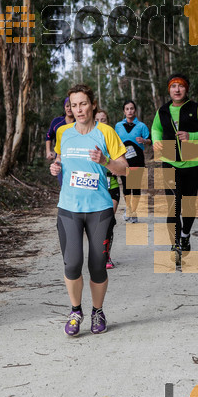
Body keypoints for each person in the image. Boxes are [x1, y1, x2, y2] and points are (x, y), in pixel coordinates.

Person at [51, 85, 128, 336]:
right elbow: (60, 160)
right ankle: (75, 311)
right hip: (69, 208)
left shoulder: (106, 132)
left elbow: (124, 169)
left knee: (97, 266)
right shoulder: (63, 132)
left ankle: (97, 311)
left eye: (83, 104)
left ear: (93, 105)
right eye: (74, 105)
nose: (79, 109)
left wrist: (105, 161)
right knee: (72, 264)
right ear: (70, 108)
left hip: (99, 209)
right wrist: (56, 166)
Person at [151, 74, 198, 258]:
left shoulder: (195, 109)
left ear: (186, 89)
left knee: (188, 206)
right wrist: (156, 140)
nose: (177, 90)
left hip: (192, 163)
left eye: (181, 86)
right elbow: (156, 128)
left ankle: (185, 235)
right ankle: (176, 246)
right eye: (173, 86)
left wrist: (192, 136)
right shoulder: (162, 111)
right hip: (170, 162)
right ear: (169, 90)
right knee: (173, 205)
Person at [114, 101, 151, 223]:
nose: (129, 111)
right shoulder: (118, 126)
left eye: (131, 108)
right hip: (123, 160)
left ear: (135, 110)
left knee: (135, 187)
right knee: (126, 186)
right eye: (127, 109)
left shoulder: (141, 126)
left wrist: (144, 140)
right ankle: (128, 208)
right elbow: (114, 143)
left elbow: (150, 140)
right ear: (124, 111)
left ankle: (134, 211)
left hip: (137, 159)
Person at [95, 110, 119, 268]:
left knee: (108, 221)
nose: (101, 122)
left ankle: (106, 255)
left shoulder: (112, 139)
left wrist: (107, 161)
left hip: (112, 185)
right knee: (96, 223)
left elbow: (121, 165)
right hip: (95, 186)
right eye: (97, 120)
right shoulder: (88, 139)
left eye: (103, 120)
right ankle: (97, 253)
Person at [45, 97, 74, 185]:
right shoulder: (57, 122)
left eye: (71, 106)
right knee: (64, 184)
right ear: (64, 107)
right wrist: (48, 151)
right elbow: (48, 136)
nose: (69, 108)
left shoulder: (80, 122)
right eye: (67, 106)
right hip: (61, 158)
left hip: (76, 156)